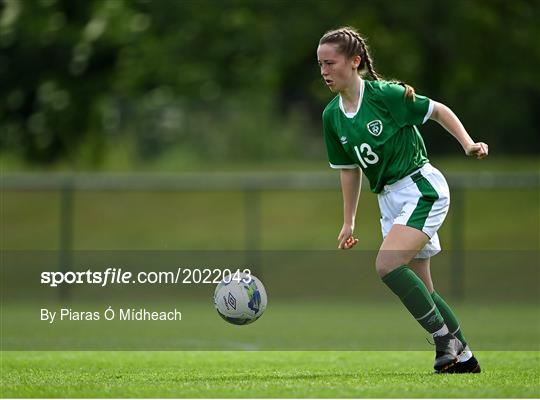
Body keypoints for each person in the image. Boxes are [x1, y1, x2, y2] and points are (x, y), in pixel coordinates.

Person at [317, 27, 487, 373]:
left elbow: (438, 111)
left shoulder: (385, 96)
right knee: (425, 290)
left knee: (387, 265)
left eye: (330, 63)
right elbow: (349, 170)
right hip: (389, 200)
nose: (324, 71)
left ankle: (443, 341)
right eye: (320, 64)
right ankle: (465, 359)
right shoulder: (331, 116)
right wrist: (348, 220)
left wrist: (467, 144)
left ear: (355, 61)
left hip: (421, 187)